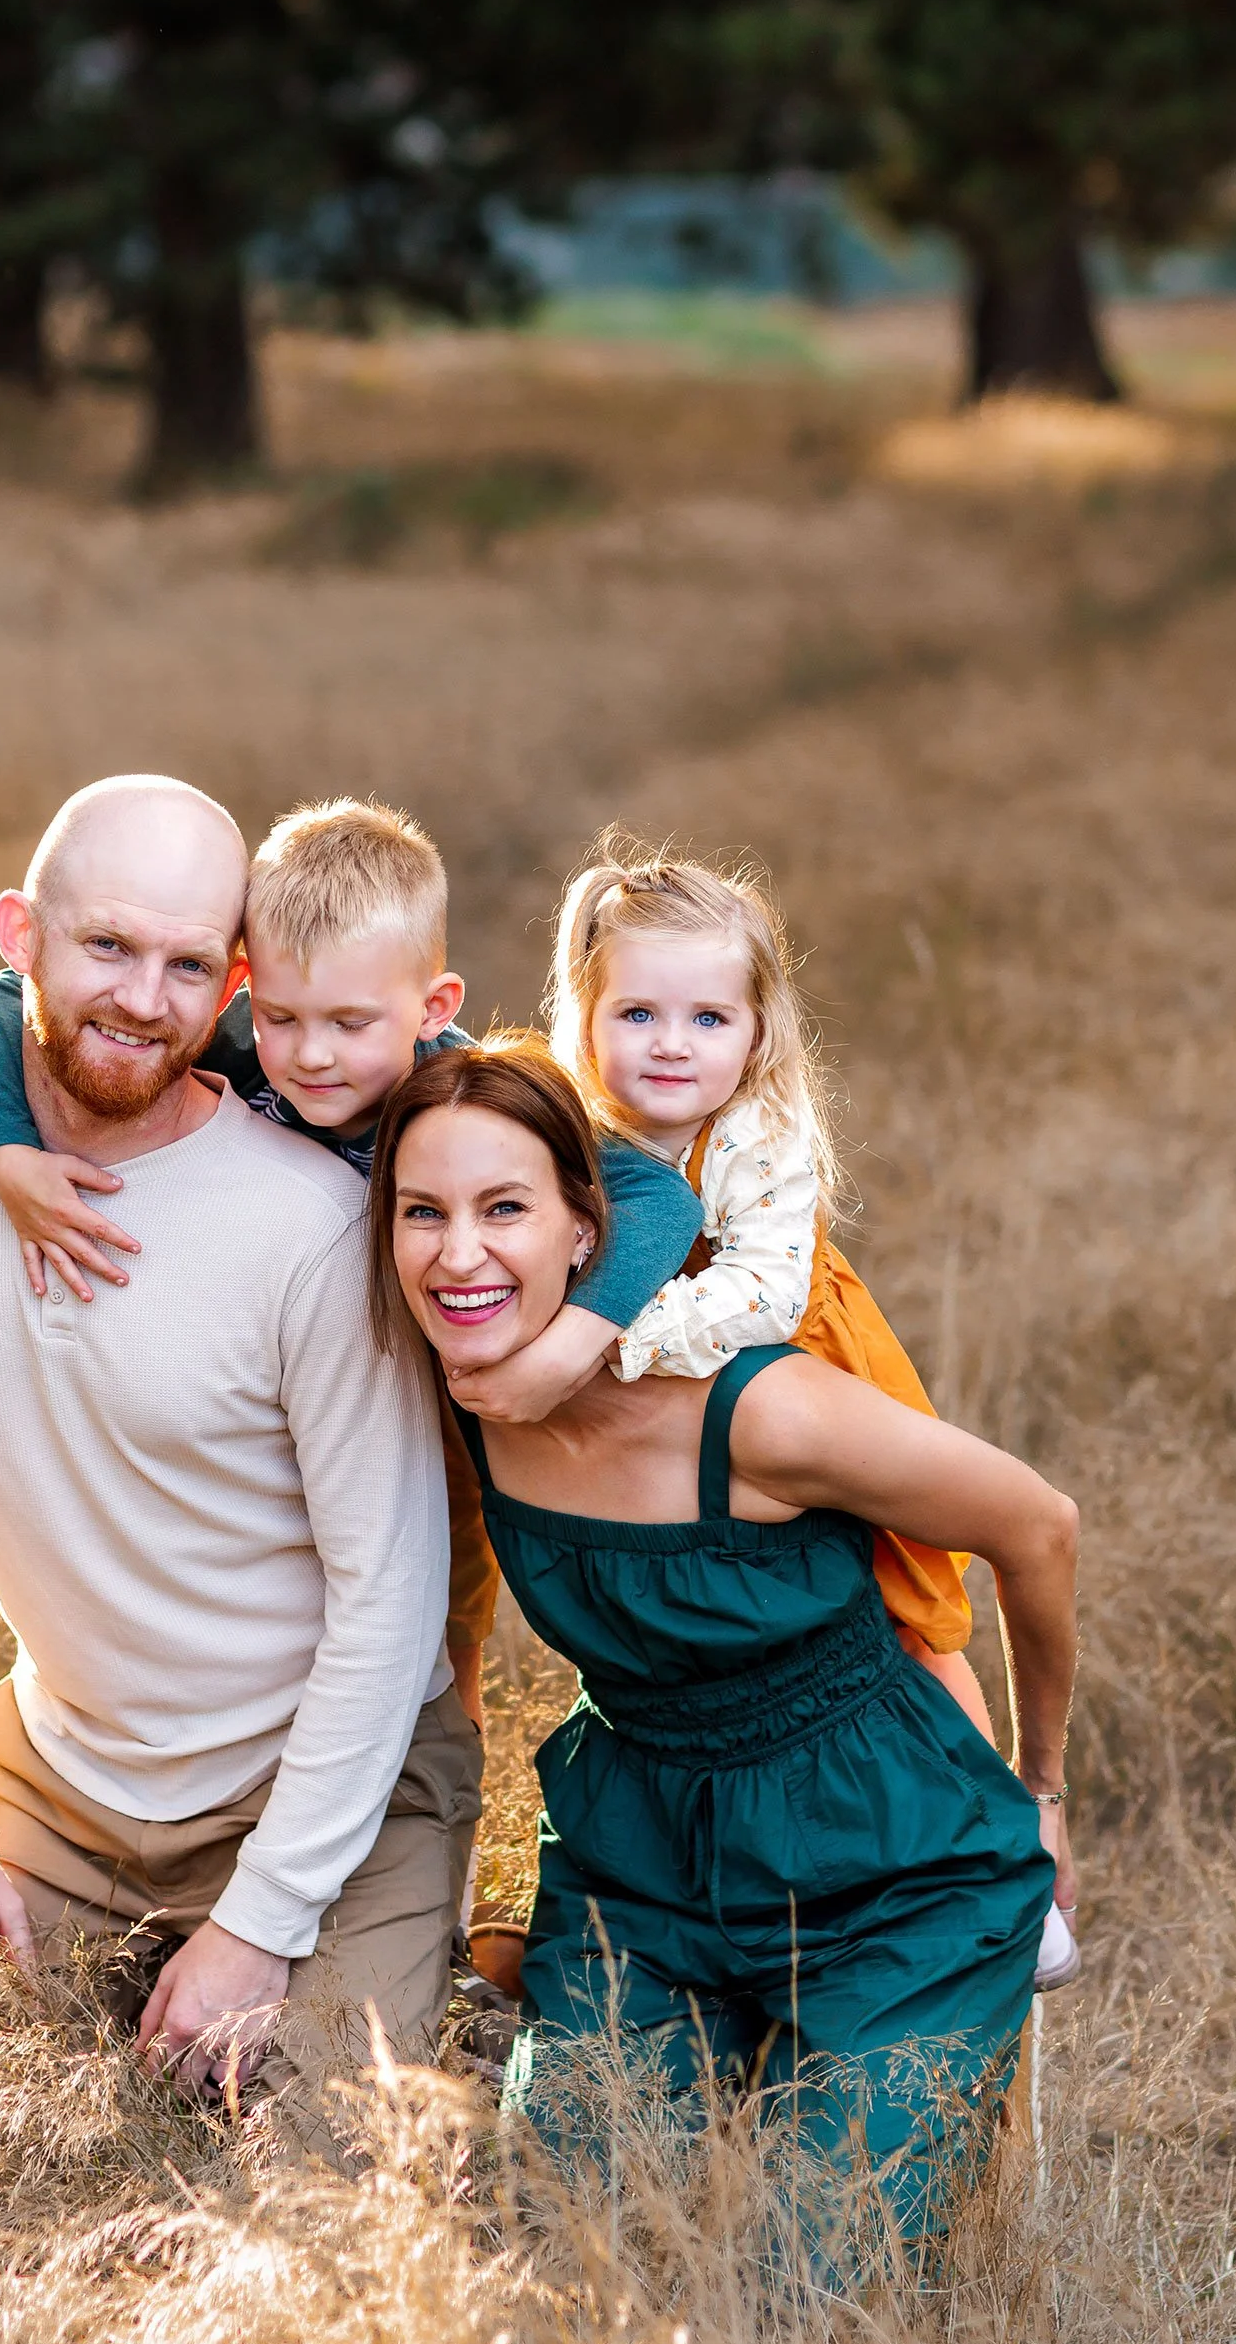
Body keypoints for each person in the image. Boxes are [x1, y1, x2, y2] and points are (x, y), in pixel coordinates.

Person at [0, 771, 484, 2144]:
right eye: (107, 946)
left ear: (233, 979)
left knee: (324, 2175)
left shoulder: (315, 1221)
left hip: (327, 1785)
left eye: (189, 965)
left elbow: (389, 1599)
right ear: (20, 935)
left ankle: (473, 1966)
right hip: (65, 1781)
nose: (142, 999)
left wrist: (261, 1921)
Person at [370, 1040, 1080, 2267]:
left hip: (890, 1868)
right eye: (420, 1212)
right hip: (639, 1862)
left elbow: (1037, 1524)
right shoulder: (457, 1395)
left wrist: (1045, 1787)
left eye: (504, 1209)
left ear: (587, 1231)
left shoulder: (756, 1407)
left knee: (802, 2276)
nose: (458, 1253)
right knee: (566, 2247)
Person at [449, 837, 1080, 1992]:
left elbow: (761, 1292)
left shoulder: (757, 1130)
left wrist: (599, 1342)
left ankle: (996, 1847)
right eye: (635, 1012)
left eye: (706, 1018)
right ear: (582, 1017)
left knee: (900, 1601)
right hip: (664, 1410)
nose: (671, 1044)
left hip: (794, 1354)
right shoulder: (577, 1121)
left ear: (756, 1031)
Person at [0, 794, 704, 1733]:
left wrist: (562, 1351)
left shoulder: (470, 1098)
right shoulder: (232, 1044)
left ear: (434, 1009)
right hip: (275, 1384)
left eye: (351, 1024)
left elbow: (661, 1196)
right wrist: (6, 1150)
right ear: (239, 990)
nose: (310, 1056)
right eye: (281, 1016)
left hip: (441, 1400)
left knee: (442, 1607)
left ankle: (443, 1809)